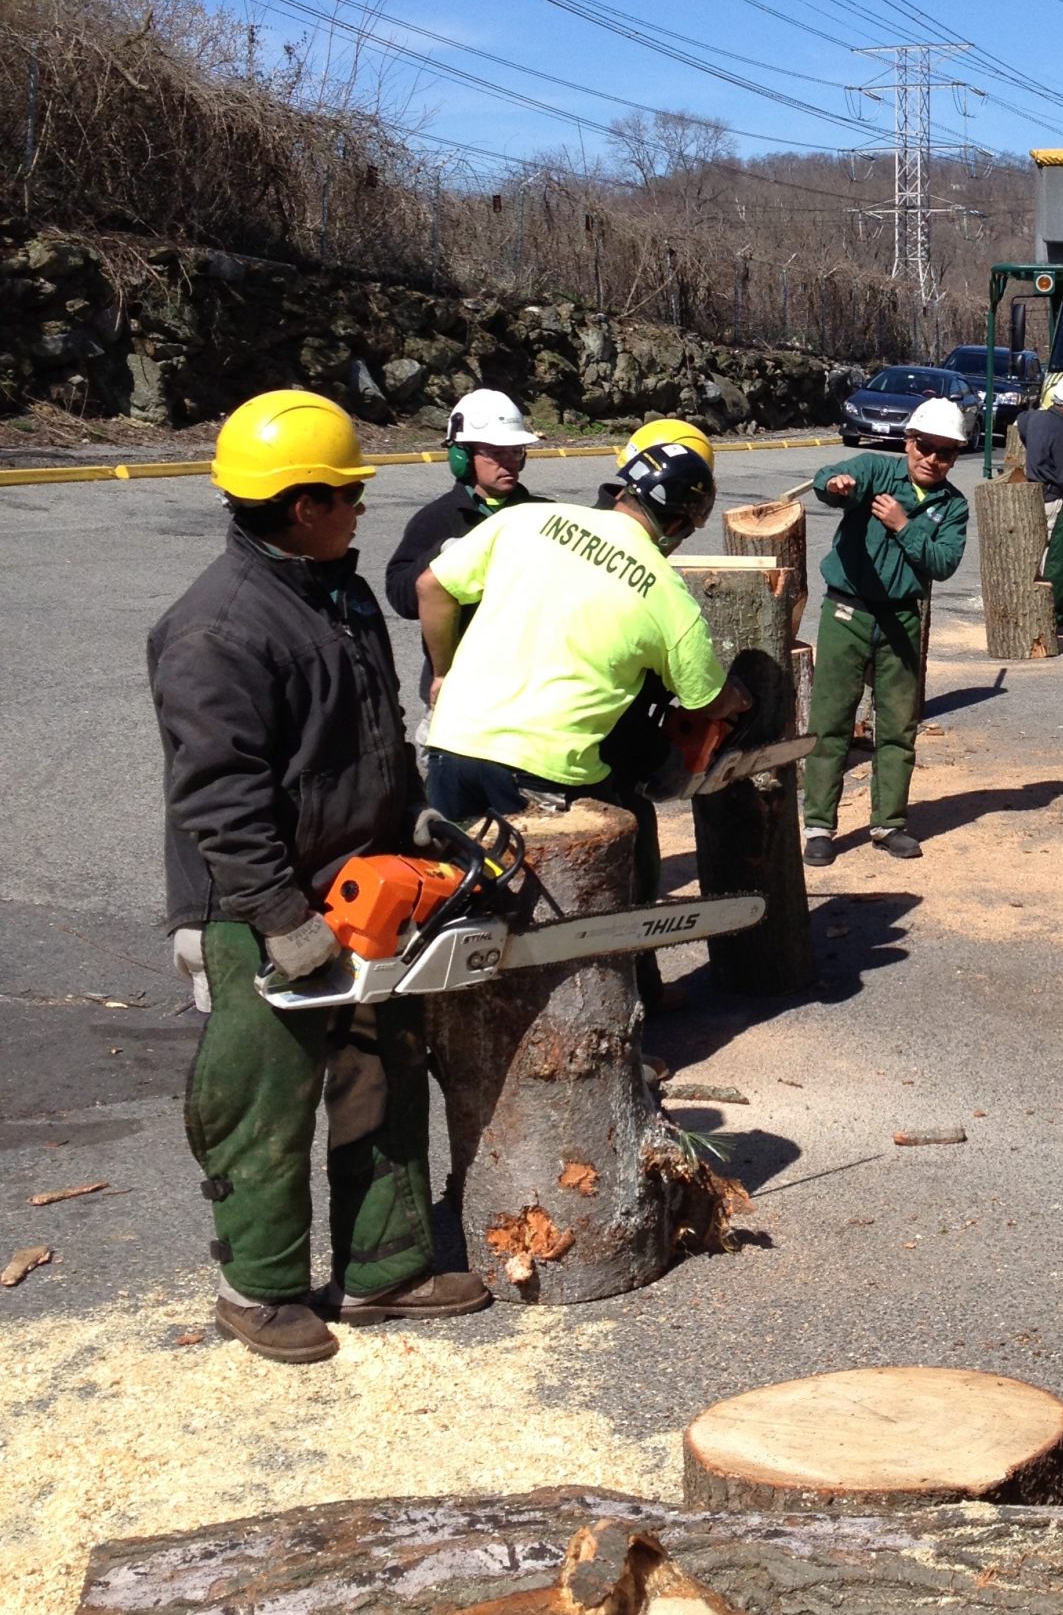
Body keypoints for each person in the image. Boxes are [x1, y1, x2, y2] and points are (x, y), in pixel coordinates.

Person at [148, 389, 487, 1366]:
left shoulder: (332, 589)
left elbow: (370, 724)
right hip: (261, 905)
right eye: (346, 491)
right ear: (301, 504)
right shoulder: (217, 630)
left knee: (383, 1068)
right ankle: (258, 1288)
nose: (359, 505)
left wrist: (410, 813)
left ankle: (386, 1266)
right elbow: (218, 799)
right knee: (265, 1092)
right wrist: (281, 919)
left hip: (360, 878)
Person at [416, 422, 741, 891]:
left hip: (452, 746)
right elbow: (704, 699)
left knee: (451, 901)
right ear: (677, 524)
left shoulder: (525, 520)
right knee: (561, 915)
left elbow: (431, 586)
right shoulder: (666, 593)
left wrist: (442, 673)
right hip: (543, 772)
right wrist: (737, 701)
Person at [802, 395, 972, 863]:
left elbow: (943, 563)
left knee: (898, 726)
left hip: (901, 618)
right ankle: (819, 826)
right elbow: (830, 481)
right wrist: (835, 485)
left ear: (956, 456)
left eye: (946, 452)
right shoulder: (877, 471)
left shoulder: (952, 506)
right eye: (926, 446)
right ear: (909, 441)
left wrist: (903, 526)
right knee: (831, 722)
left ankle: (889, 822)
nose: (933, 459)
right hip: (847, 614)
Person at [384, 389, 544, 694]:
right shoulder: (437, 519)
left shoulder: (543, 513)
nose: (508, 462)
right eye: (496, 452)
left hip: (528, 685)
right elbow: (401, 597)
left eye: (516, 451)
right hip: (459, 689)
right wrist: (442, 553)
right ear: (463, 455)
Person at [1016, 371, 1063, 627]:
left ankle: (1038, 614)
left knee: (1038, 557)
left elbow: (1021, 421)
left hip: (1034, 496)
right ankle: (1055, 618)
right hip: (1056, 503)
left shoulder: (1034, 419)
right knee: (1057, 562)